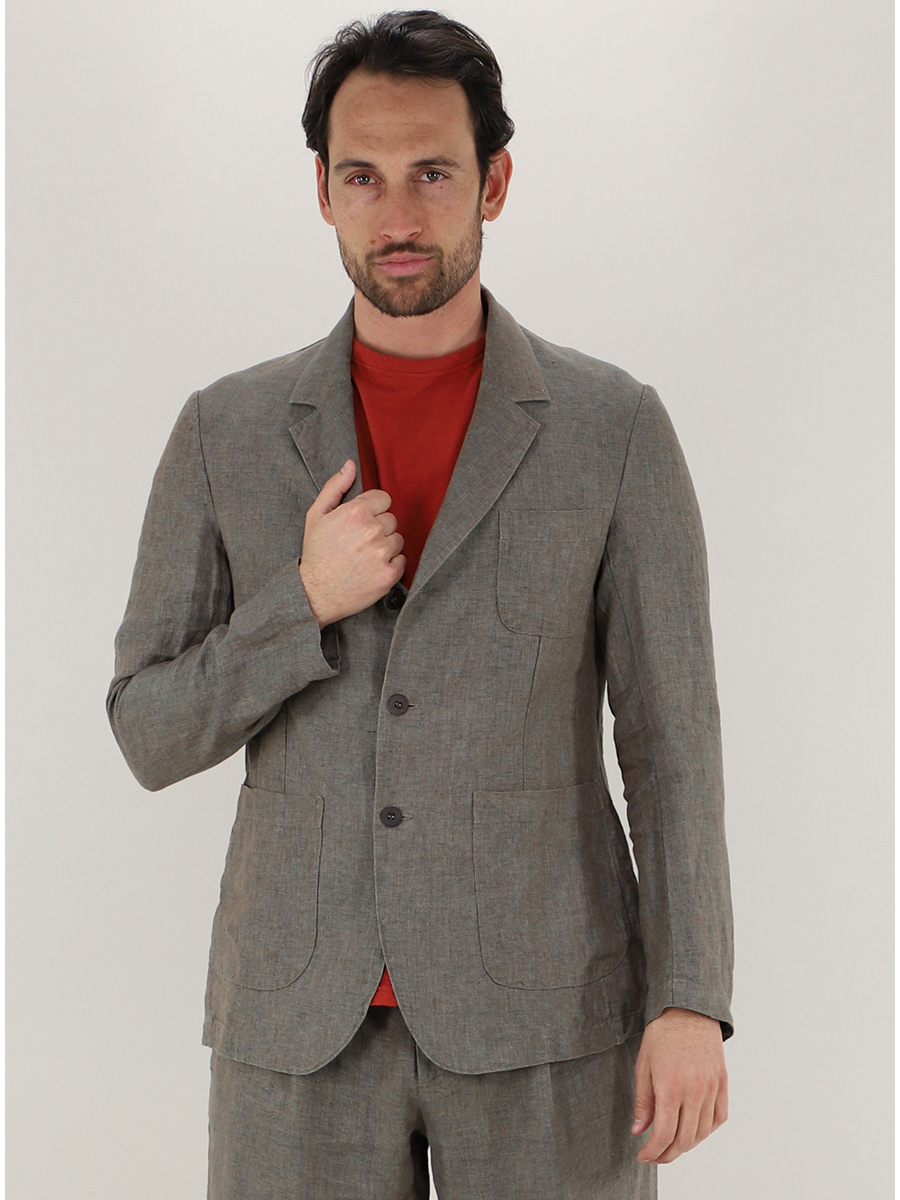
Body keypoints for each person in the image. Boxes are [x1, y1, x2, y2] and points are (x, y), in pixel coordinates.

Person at [107, 11, 734, 1198]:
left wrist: (691, 997)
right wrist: (302, 601)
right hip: (296, 1022)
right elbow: (147, 730)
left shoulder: (614, 429)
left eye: (433, 173)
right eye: (363, 176)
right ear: (322, 191)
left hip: (550, 1016)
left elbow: (673, 741)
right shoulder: (225, 431)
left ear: (494, 183)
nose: (397, 215)